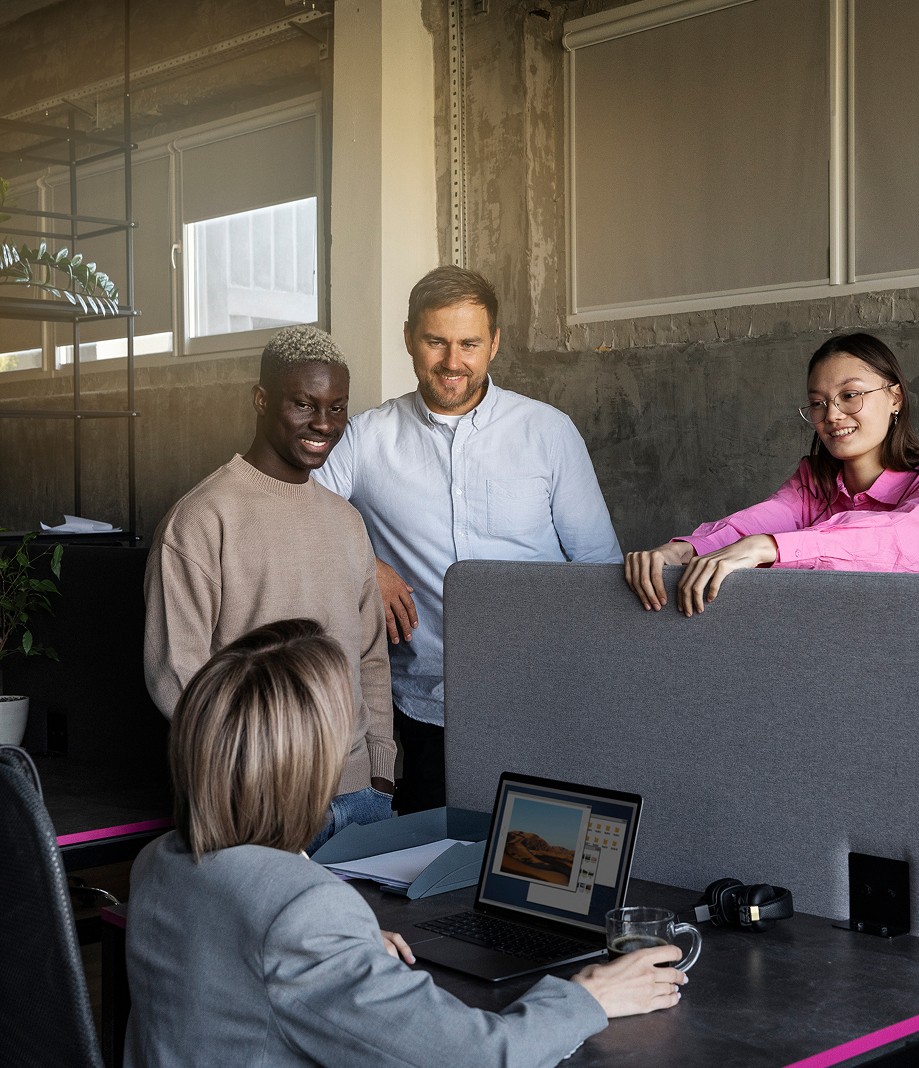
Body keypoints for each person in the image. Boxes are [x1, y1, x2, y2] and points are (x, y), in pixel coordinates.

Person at [124, 619, 686, 1067]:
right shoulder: (301, 911)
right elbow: (478, 1056)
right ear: (307, 763)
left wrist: (348, 948)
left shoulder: (160, 862)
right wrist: (590, 997)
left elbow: (252, 964)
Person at [315, 266, 621, 813]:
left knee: (540, 869)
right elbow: (295, 512)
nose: (453, 361)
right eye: (436, 341)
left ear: (494, 343)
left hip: (544, 701)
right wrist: (365, 565)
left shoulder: (548, 433)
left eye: (469, 343)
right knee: (429, 874)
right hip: (428, 709)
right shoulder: (365, 439)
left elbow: (598, 568)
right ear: (409, 338)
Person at [143, 326, 395, 844]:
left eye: (337, 407)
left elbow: (369, 656)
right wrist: (251, 777)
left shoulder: (346, 520)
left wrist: (380, 772)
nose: (323, 424)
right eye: (304, 405)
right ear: (261, 400)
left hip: (359, 800)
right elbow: (176, 675)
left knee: (376, 930)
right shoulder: (201, 519)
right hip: (257, 801)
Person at [625, 332, 919, 615]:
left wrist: (769, 547)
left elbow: (905, 542)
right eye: (818, 402)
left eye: (850, 395)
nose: (831, 415)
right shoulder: (814, 483)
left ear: (895, 398)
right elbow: (750, 525)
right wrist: (682, 551)